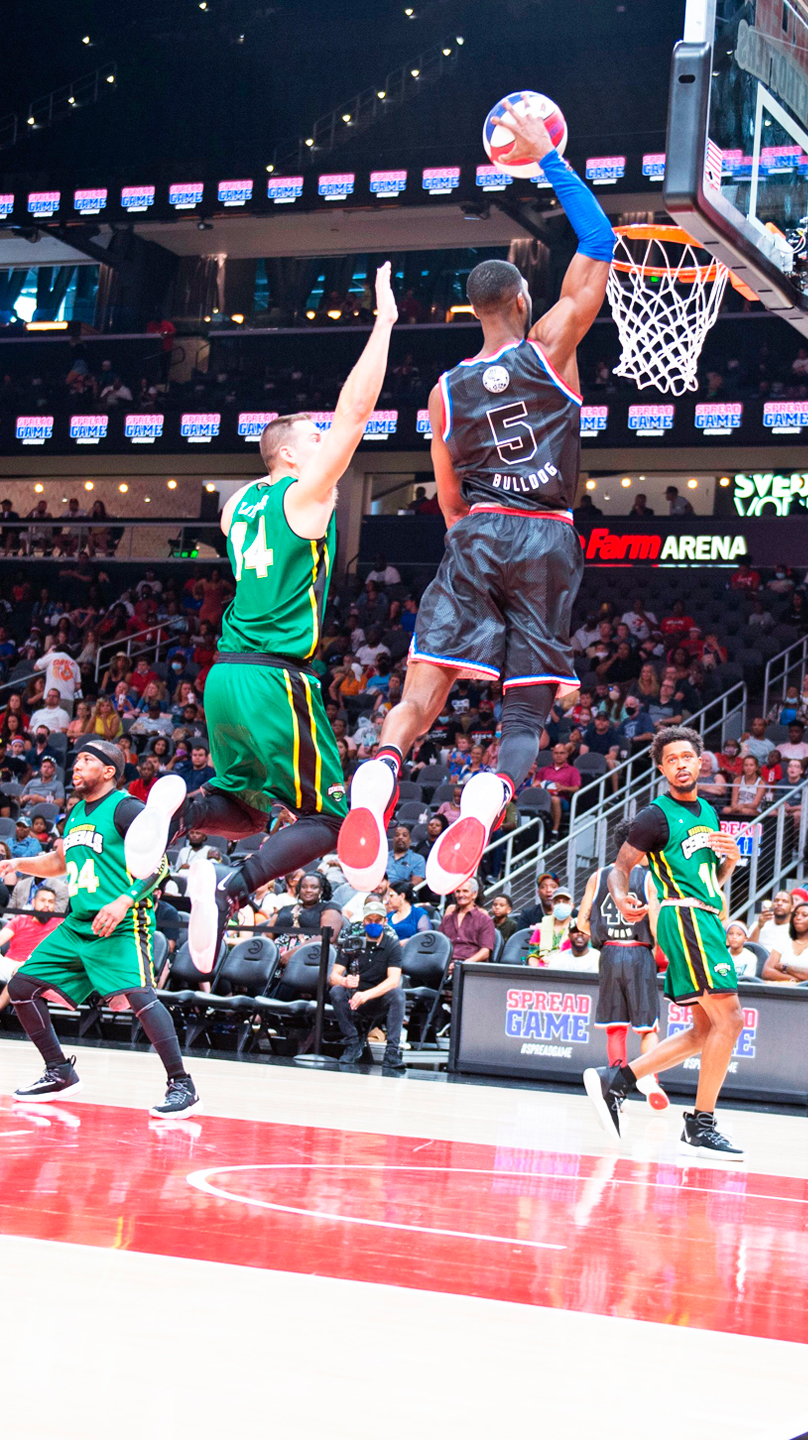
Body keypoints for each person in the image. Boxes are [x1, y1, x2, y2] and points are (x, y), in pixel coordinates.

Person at [338, 103, 613, 897]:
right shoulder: (552, 345)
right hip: (547, 535)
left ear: (473, 311)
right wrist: (548, 162)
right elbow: (598, 246)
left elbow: (448, 497)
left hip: (478, 532)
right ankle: (486, 801)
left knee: (421, 691)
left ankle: (379, 780)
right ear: (522, 299)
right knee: (523, 715)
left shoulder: (444, 393)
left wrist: (470, 544)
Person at [123, 265, 399, 971]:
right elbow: (357, 414)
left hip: (225, 677)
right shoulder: (299, 498)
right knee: (332, 820)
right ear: (290, 454)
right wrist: (384, 323)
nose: (324, 447)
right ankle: (233, 884)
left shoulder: (234, 505)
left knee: (245, 810)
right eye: (313, 440)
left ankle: (173, 816)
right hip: (279, 680)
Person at [0, 739, 199, 1116]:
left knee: (140, 997)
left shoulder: (126, 808)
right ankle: (59, 1071)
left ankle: (182, 1085)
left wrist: (124, 899)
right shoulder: (75, 812)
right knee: (22, 986)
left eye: (87, 760)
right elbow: (61, 862)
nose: (76, 767)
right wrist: (18, 866)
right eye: (76, 760)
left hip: (122, 921)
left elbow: (159, 867)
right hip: (78, 924)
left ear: (109, 771)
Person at [583, 726, 745, 1159]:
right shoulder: (654, 816)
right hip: (685, 916)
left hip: (706, 913)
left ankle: (615, 1080)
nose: (681, 764)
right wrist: (620, 897)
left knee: (705, 1029)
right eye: (671, 759)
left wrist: (730, 859)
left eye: (687, 757)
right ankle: (701, 1123)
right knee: (731, 1020)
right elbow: (619, 868)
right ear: (662, 768)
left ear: (699, 761)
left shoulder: (708, 812)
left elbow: (712, 879)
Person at [575, 822, 667, 1107]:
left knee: (616, 1028)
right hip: (639, 953)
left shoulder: (598, 876)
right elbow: (654, 922)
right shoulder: (649, 878)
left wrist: (607, 936)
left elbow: (580, 923)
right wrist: (661, 953)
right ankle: (648, 1076)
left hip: (610, 954)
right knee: (648, 1028)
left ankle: (616, 1088)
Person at [328, 897, 406, 1069]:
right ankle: (352, 1043)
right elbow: (333, 976)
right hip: (353, 997)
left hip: (377, 998)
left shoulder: (392, 945)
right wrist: (344, 980)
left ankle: (392, 1051)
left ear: (385, 921)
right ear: (363, 921)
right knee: (336, 991)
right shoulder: (352, 942)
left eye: (377, 920)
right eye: (369, 920)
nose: (373, 924)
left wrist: (366, 995)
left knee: (398, 994)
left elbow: (393, 980)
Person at [762, 903, 808, 983]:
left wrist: (785, 967)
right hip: (780, 989)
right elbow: (767, 972)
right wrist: (795, 980)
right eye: (795, 915)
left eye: (804, 915)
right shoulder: (783, 941)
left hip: (806, 992)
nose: (798, 918)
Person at [440, 878, 496, 967]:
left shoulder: (484, 920)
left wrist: (462, 965)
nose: (460, 895)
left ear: (474, 894)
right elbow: (439, 945)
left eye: (465, 891)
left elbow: (485, 952)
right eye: (458, 891)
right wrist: (443, 965)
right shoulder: (447, 919)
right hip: (445, 966)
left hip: (470, 969)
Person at [527, 883, 576, 965]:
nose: (561, 905)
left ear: (572, 906)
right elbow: (533, 954)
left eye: (565, 902)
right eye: (557, 902)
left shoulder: (577, 929)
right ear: (552, 906)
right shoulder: (542, 927)